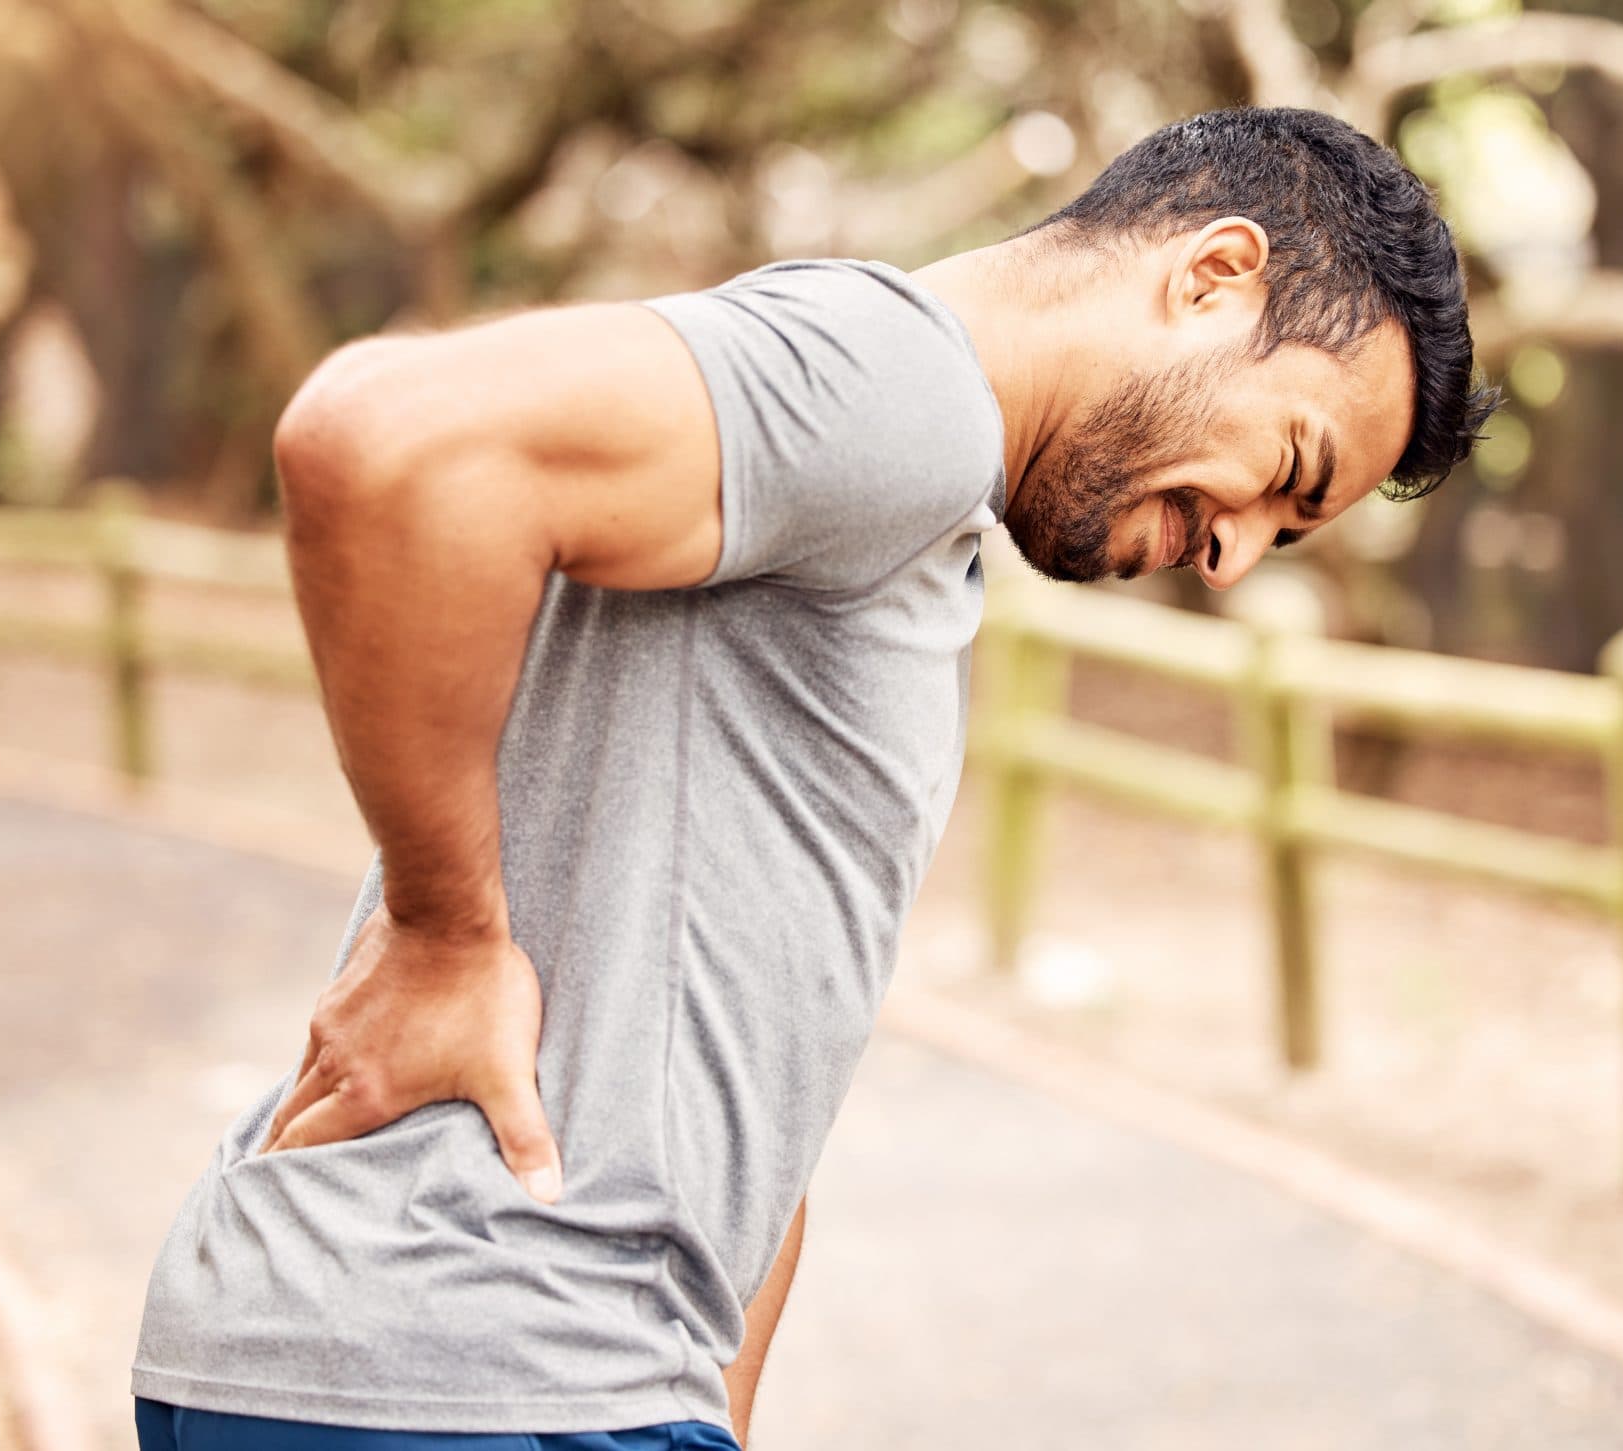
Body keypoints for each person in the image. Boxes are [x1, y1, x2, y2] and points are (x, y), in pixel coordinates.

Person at [130, 104, 1497, 1451]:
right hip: (482, 1365)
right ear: (1212, 275)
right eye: (1286, 470)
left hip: (498, 1368)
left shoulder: (902, 490)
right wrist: (442, 935)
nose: (1235, 557)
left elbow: (750, 1053)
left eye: (1289, 533)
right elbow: (384, 438)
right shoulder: (903, 386)